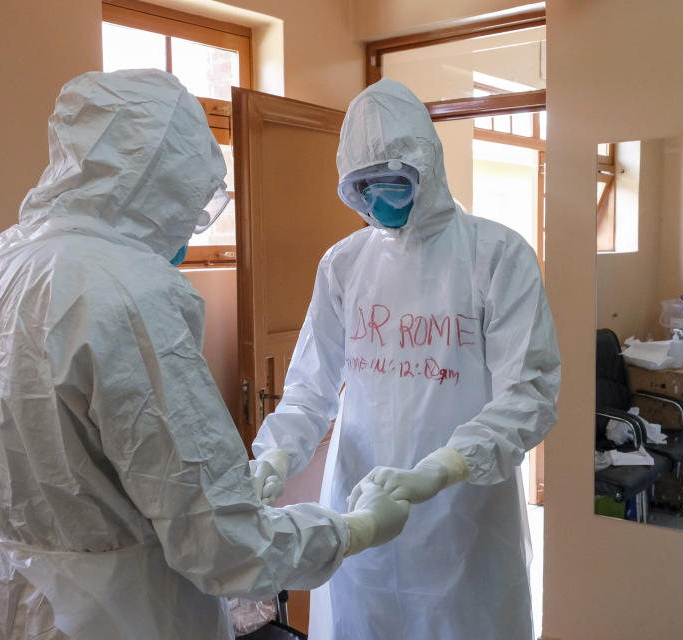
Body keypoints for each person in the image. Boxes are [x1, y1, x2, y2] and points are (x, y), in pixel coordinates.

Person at [0, 69, 410, 640]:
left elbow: (81, 468)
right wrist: (352, 530)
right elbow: (225, 547)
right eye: (190, 197)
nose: (189, 222)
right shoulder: (127, 293)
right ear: (161, 181)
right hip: (113, 616)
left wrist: (237, 481)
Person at [250, 78, 561, 640]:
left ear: (428, 167)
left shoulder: (496, 255)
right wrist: (275, 456)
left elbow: (529, 395)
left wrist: (438, 471)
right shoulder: (344, 264)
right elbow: (309, 388)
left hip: (463, 516)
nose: (377, 200)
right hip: (361, 509)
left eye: (391, 181)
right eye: (361, 187)